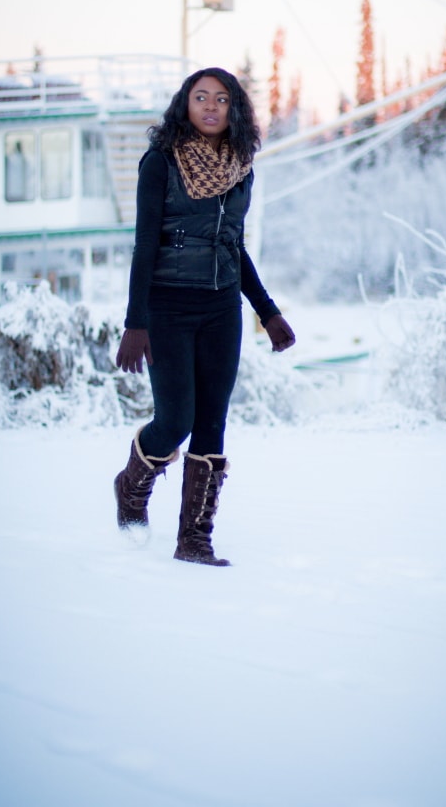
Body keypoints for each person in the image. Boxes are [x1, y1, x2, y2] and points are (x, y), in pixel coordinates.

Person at [114, 67, 296, 566]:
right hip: (167, 305)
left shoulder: (241, 167)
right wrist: (136, 322)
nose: (211, 106)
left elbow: (232, 245)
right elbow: (145, 243)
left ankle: (194, 539)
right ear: (185, 105)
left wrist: (267, 311)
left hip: (221, 309)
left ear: (235, 109)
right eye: (201, 98)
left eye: (221, 99)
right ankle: (132, 484)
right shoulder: (160, 162)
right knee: (176, 420)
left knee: (211, 423)